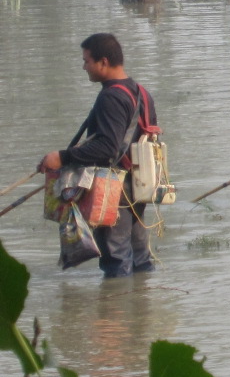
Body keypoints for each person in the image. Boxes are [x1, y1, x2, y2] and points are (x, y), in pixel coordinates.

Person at [36, 33, 158, 278]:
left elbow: (106, 149)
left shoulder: (111, 97)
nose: (84, 67)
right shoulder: (140, 92)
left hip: (116, 190)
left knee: (116, 258)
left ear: (103, 62)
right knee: (140, 257)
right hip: (139, 184)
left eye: (86, 61)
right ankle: (142, 308)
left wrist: (62, 157)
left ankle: (114, 308)